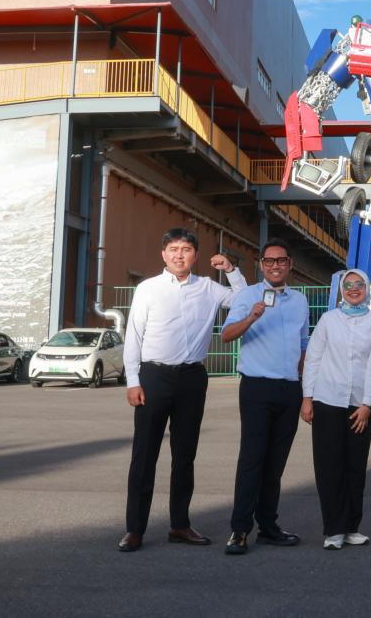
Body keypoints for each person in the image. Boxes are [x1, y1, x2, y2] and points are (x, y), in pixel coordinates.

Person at [119, 227, 246, 553]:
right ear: (164, 254)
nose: (179, 255)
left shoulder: (209, 288)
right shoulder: (148, 289)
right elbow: (134, 335)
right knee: (144, 454)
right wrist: (133, 380)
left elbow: (244, 299)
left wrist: (231, 270)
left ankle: (179, 524)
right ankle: (135, 529)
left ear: (195, 255)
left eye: (186, 249)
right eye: (173, 249)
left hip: (192, 378)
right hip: (154, 377)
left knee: (185, 454)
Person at [221, 238, 311, 556]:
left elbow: (303, 344)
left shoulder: (299, 301)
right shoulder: (248, 296)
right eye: (269, 261)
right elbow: (226, 334)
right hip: (257, 387)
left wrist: (304, 388)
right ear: (261, 265)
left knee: (276, 463)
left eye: (281, 260)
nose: (275, 266)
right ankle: (239, 530)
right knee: (252, 459)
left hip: (289, 389)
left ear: (289, 265)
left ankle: (269, 526)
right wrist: (251, 317)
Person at [300, 269, 371, 550]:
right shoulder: (328, 320)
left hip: (359, 405)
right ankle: (334, 529)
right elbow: (313, 358)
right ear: (341, 290)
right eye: (348, 285)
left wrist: (367, 404)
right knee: (329, 465)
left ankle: (351, 527)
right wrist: (307, 397)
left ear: (366, 288)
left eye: (359, 284)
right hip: (327, 399)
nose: (353, 289)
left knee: (355, 466)